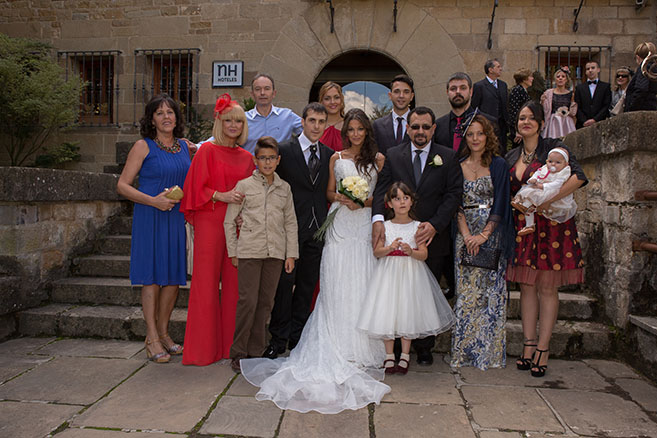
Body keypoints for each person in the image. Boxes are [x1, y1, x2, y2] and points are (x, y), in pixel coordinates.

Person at [240, 108, 389, 414]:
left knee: (345, 282)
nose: (355, 134)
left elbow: (383, 195)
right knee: (303, 286)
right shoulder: (319, 155)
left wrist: (361, 200)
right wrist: (342, 198)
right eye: (351, 129)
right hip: (318, 226)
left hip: (352, 226)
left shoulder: (372, 159)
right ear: (304, 122)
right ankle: (281, 340)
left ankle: (342, 342)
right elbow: (327, 191)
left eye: (360, 129)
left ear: (366, 131)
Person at [372, 106, 464, 366]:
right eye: (415, 127)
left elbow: (453, 194)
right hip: (398, 233)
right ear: (408, 129)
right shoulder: (394, 155)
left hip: (431, 237)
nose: (420, 131)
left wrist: (435, 225)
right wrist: (378, 219)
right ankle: (396, 348)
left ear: (433, 129)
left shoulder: (447, 156)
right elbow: (381, 190)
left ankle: (424, 346)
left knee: (424, 295)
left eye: (425, 127)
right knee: (396, 296)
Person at [505, 101, 587, 378]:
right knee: (526, 286)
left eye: (531, 118)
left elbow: (579, 177)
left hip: (552, 226)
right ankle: (528, 345)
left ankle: (543, 347)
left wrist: (546, 201)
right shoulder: (511, 155)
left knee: (547, 288)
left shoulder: (554, 147)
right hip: (524, 226)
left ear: (541, 123)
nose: (525, 122)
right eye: (521, 118)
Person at [179, 94, 256, 366]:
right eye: (228, 120)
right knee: (205, 284)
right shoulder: (206, 152)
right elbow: (193, 189)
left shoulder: (247, 158)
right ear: (219, 123)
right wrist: (220, 195)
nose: (234, 125)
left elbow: (252, 194)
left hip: (237, 226)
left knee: (236, 287)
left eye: (239, 121)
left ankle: (230, 349)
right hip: (210, 220)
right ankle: (202, 352)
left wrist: (245, 215)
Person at [117, 94, 191, 364]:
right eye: (159, 113)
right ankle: (151, 338)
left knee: (172, 278)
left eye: (170, 112)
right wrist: (153, 201)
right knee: (151, 277)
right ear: (151, 120)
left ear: (177, 117)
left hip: (175, 219)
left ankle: (164, 333)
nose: (166, 117)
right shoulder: (142, 146)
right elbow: (122, 185)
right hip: (150, 216)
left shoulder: (184, 147)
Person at [358, 182, 455, 375]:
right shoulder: (384, 226)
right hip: (388, 275)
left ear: (412, 201)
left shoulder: (418, 227)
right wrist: (390, 248)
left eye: (405, 198)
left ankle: (404, 355)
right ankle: (388, 355)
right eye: (397, 198)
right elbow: (377, 252)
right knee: (387, 312)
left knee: (407, 312)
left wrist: (411, 251)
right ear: (389, 203)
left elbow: (424, 254)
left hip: (411, 275)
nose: (402, 202)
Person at [262, 103, 335, 359]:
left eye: (321, 121)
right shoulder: (284, 151)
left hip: (318, 230)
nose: (316, 126)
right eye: (312, 120)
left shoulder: (329, 154)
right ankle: (278, 339)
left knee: (306, 286)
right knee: (284, 287)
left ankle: (297, 338)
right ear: (302, 122)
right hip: (288, 230)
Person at [224, 136, 299, 372]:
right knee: (248, 301)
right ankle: (238, 352)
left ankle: (255, 351)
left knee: (266, 303)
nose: (267, 162)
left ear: (278, 160)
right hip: (249, 252)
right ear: (255, 160)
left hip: (275, 254)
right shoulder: (244, 186)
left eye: (271, 158)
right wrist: (233, 251)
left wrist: (290, 254)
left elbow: (290, 222)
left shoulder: (284, 188)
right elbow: (229, 221)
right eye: (263, 158)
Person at [450, 114, 514, 370]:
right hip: (464, 236)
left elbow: (501, 202)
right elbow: (456, 202)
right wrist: (467, 235)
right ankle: (464, 353)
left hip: (491, 235)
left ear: (488, 136)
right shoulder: (458, 165)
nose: (475, 138)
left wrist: (484, 235)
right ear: (465, 138)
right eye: (470, 134)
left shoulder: (498, 165)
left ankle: (489, 354)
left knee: (491, 295)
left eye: (480, 133)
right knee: (467, 295)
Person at [196, 74, 302, 154]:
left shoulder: (287, 116)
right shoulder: (243, 119)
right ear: (252, 94)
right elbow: (222, 136)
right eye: (258, 89)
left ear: (274, 93)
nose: (262, 93)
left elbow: (308, 130)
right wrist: (197, 147)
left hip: (280, 172)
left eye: (267, 89)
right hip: (250, 172)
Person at [511, 147, 578, 236]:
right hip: (541, 189)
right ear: (547, 161)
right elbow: (537, 173)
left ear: (566, 164)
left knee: (532, 200)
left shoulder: (564, 172)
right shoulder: (545, 168)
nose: (553, 164)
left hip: (553, 192)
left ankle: (525, 207)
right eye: (550, 161)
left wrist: (543, 186)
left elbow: (558, 184)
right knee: (528, 194)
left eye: (558, 162)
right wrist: (533, 179)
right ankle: (529, 224)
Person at [471, 59, 510, 153]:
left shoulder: (503, 85)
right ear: (490, 70)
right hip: (488, 125)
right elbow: (474, 107)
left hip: (502, 126)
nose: (501, 69)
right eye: (498, 67)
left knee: (502, 150)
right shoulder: (479, 86)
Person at [372, 74, 414, 154]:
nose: (401, 96)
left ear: (411, 96)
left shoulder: (420, 125)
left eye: (406, 92)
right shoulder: (378, 125)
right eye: (397, 91)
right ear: (390, 95)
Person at [540, 67, 577, 139]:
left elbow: (573, 112)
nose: (560, 78)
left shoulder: (571, 94)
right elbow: (544, 109)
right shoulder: (548, 93)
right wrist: (542, 101)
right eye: (558, 76)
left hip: (566, 123)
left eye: (563, 76)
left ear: (566, 79)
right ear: (555, 79)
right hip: (553, 122)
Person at [574, 60, 611, 129]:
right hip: (582, 124)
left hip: (600, 123)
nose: (590, 70)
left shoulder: (605, 87)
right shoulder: (579, 88)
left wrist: (595, 120)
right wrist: (584, 121)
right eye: (588, 69)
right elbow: (577, 106)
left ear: (598, 70)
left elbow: (606, 105)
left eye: (593, 68)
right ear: (585, 72)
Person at [625, 41, 657, 112]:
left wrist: (631, 105)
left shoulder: (644, 68)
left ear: (638, 57)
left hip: (641, 109)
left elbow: (641, 89)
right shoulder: (654, 68)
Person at [508, 69, 534, 143]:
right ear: (524, 79)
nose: (532, 79)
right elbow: (514, 111)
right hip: (518, 128)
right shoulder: (517, 90)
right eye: (530, 76)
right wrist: (517, 130)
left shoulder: (524, 91)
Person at [319, 81, 345, 151]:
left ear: (341, 100)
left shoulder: (349, 125)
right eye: (327, 98)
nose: (332, 102)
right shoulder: (316, 126)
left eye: (336, 97)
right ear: (321, 102)